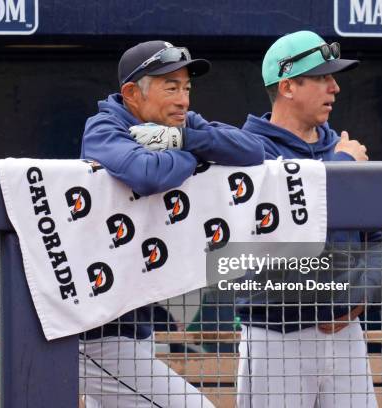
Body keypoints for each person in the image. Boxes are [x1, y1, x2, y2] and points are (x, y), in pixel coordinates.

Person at [79, 40, 265, 407]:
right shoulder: (103, 128)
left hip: (133, 324)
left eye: (187, 88)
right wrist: (194, 158)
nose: (184, 100)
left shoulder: (178, 125)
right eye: (171, 87)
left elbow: (252, 150)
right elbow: (146, 172)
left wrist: (183, 138)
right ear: (132, 93)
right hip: (93, 333)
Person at [237, 31, 382, 407]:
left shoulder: (341, 147)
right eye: (323, 77)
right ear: (288, 86)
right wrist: (339, 168)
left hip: (345, 332)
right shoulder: (247, 150)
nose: (335, 87)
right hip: (276, 334)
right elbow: (266, 247)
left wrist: (353, 299)